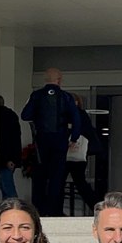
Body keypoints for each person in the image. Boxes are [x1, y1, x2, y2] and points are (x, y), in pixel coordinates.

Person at [21, 67, 80, 216]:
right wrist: (73, 137)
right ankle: (55, 210)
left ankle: (38, 209)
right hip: (60, 140)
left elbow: (25, 115)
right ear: (59, 80)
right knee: (57, 175)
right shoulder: (66, 97)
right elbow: (76, 118)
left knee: (40, 174)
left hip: (42, 141)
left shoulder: (37, 95)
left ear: (46, 80)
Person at [64, 95, 100, 214]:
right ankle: (96, 206)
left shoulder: (73, 115)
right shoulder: (82, 115)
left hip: (68, 154)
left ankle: (54, 210)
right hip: (78, 156)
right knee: (80, 183)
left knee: (62, 182)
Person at [0, 96, 23, 199]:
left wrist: (8, 159)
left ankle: (15, 210)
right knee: (5, 185)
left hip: (5, 157)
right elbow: (15, 138)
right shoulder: (11, 116)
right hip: (10, 156)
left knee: (8, 188)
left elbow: (5, 139)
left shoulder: (0, 116)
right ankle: (10, 210)